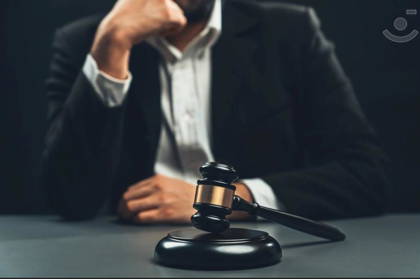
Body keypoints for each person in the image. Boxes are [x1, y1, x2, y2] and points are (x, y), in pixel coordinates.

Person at [43, 0, 389, 223]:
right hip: (124, 261)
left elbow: (365, 174)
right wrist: (112, 45)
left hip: (268, 256)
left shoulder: (290, 32)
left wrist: (227, 200)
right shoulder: (87, 42)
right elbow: (70, 199)